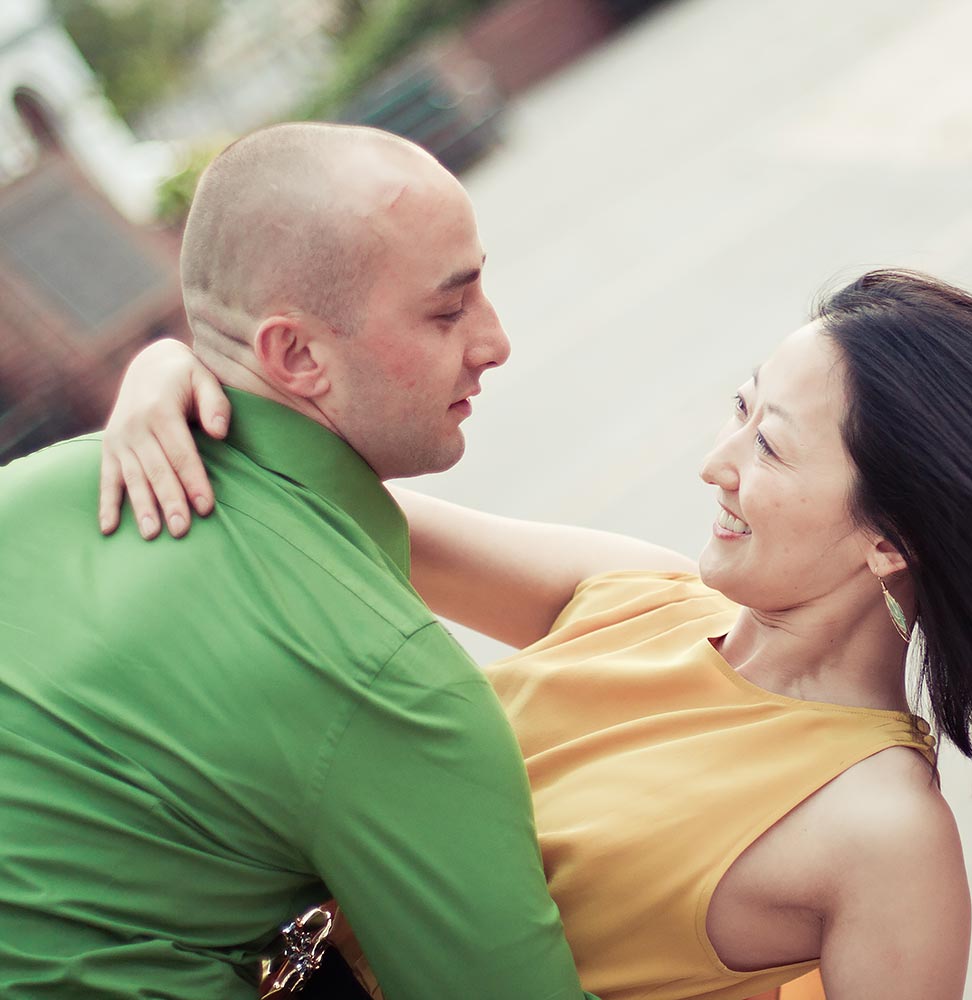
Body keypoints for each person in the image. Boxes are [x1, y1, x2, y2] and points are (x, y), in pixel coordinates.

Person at [99, 269, 972, 1000]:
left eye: (767, 441)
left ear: (890, 538)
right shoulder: (639, 597)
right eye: (738, 407)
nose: (715, 460)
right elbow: (329, 504)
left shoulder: (883, 837)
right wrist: (173, 376)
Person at [0, 123, 598, 1000]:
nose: (494, 341)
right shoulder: (386, 680)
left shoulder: (35, 493)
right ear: (296, 355)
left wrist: (177, 363)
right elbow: (649, 592)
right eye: (447, 309)